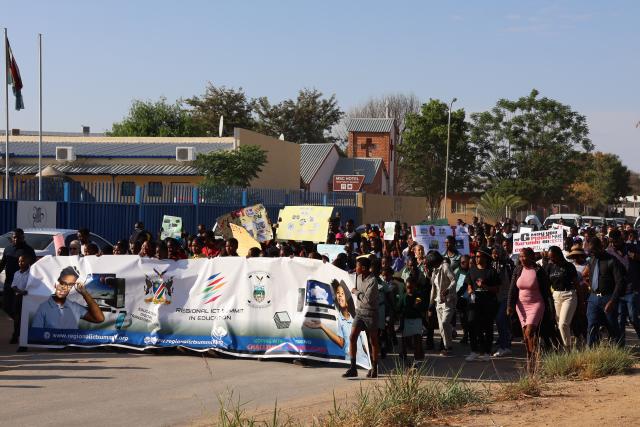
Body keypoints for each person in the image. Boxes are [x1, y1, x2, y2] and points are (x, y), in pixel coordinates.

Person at [507, 247, 552, 372]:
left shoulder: (539, 271)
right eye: (520, 256)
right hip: (521, 306)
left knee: (530, 332)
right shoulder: (518, 269)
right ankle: (531, 358)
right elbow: (512, 289)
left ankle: (533, 359)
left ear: (531, 257)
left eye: (524, 256)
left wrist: (550, 307)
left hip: (536, 304)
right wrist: (510, 305)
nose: (521, 259)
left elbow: (546, 291)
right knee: (526, 337)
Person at [31, 266, 105, 329]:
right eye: (62, 283)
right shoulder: (43, 307)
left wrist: (84, 293)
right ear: (56, 283)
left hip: (71, 346)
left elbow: (99, 318)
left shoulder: (75, 307)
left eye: (70, 285)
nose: (64, 287)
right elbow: (36, 334)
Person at [343, 257, 379, 379]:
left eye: (357, 266)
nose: (355, 268)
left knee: (373, 341)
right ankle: (353, 368)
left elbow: (367, 300)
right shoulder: (357, 277)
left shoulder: (373, 281)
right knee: (352, 337)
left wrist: (356, 292)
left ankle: (375, 368)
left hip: (370, 313)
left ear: (363, 268)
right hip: (359, 313)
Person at [586, 237, 626, 346]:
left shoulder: (612, 260)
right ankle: (590, 352)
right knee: (591, 326)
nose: (592, 253)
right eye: (590, 251)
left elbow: (620, 282)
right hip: (593, 298)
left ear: (601, 247)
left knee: (612, 326)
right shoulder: (592, 260)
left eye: (594, 250)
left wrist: (612, 300)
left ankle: (619, 351)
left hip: (608, 298)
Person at [0, 228, 36, 342]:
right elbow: (2, 264)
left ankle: (16, 335)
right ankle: (19, 326)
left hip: (22, 286)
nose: (16, 239)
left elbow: (35, 268)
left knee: (18, 310)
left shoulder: (28, 250)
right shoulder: (8, 249)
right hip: (9, 283)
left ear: (23, 237)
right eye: (14, 237)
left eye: (19, 237)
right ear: (12, 238)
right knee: (6, 307)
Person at [465, 247, 500, 362]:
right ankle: (474, 351)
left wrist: (486, 287)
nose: (477, 258)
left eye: (479, 256)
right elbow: (469, 283)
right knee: (472, 324)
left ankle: (487, 351)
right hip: (474, 303)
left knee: (488, 327)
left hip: (488, 303)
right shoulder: (472, 270)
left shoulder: (491, 271)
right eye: (476, 256)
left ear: (485, 258)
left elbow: (496, 289)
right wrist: (470, 289)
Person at [546, 245, 579, 348]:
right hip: (556, 296)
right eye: (549, 257)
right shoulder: (550, 267)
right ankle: (567, 345)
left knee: (563, 324)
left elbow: (577, 284)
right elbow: (546, 284)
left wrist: (581, 302)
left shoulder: (569, 266)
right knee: (559, 324)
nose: (551, 259)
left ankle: (567, 349)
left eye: (553, 257)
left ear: (559, 255)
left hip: (569, 295)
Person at [428, 250, 457, 356]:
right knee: (441, 327)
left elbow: (454, 280)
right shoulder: (434, 270)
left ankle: (451, 332)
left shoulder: (445, 267)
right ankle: (448, 347)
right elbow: (433, 288)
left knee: (445, 322)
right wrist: (431, 303)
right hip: (438, 302)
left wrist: (448, 289)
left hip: (448, 300)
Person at [397, 276, 426, 360]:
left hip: (416, 320)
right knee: (405, 339)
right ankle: (403, 352)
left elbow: (419, 306)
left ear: (415, 286)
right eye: (407, 287)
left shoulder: (418, 296)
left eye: (411, 287)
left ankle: (416, 359)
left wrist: (417, 305)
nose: (409, 289)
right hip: (406, 320)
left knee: (417, 339)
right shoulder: (403, 296)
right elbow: (398, 307)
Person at [493, 246, 514, 357]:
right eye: (493, 253)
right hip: (495, 297)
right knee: (502, 322)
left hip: (506, 296)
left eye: (497, 253)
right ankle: (505, 344)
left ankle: (505, 346)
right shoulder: (492, 264)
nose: (495, 255)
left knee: (501, 319)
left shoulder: (507, 265)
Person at [11, 255, 32, 350]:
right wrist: (21, 292)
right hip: (18, 298)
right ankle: (16, 335)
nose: (21, 263)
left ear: (28, 262)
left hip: (28, 299)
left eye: (23, 261)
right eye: (19, 261)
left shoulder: (32, 273)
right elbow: (13, 286)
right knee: (17, 318)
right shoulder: (16, 273)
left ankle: (25, 341)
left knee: (25, 319)